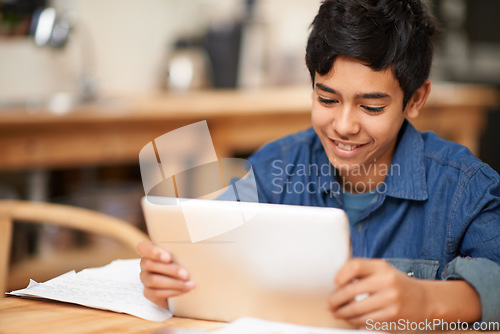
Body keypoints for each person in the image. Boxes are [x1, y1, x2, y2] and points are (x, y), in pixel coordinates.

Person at [138, 0, 500, 326]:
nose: (343, 126)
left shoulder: (463, 187)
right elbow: (203, 249)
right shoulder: (273, 170)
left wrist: (427, 300)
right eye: (327, 99)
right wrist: (171, 279)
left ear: (416, 100)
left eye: (371, 107)